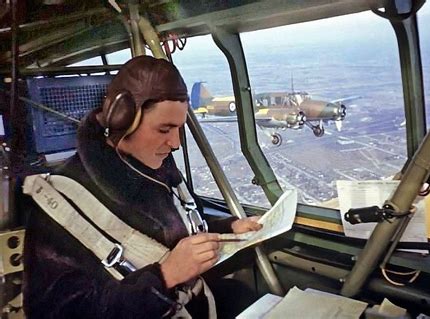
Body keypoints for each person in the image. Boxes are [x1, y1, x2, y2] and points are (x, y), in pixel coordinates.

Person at [21, 55, 262, 319]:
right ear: (122, 119)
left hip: (195, 305)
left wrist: (228, 228)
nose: (175, 143)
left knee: (245, 296)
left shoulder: (156, 167)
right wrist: (164, 277)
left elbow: (178, 231)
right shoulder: (61, 205)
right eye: (164, 130)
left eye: (179, 129)